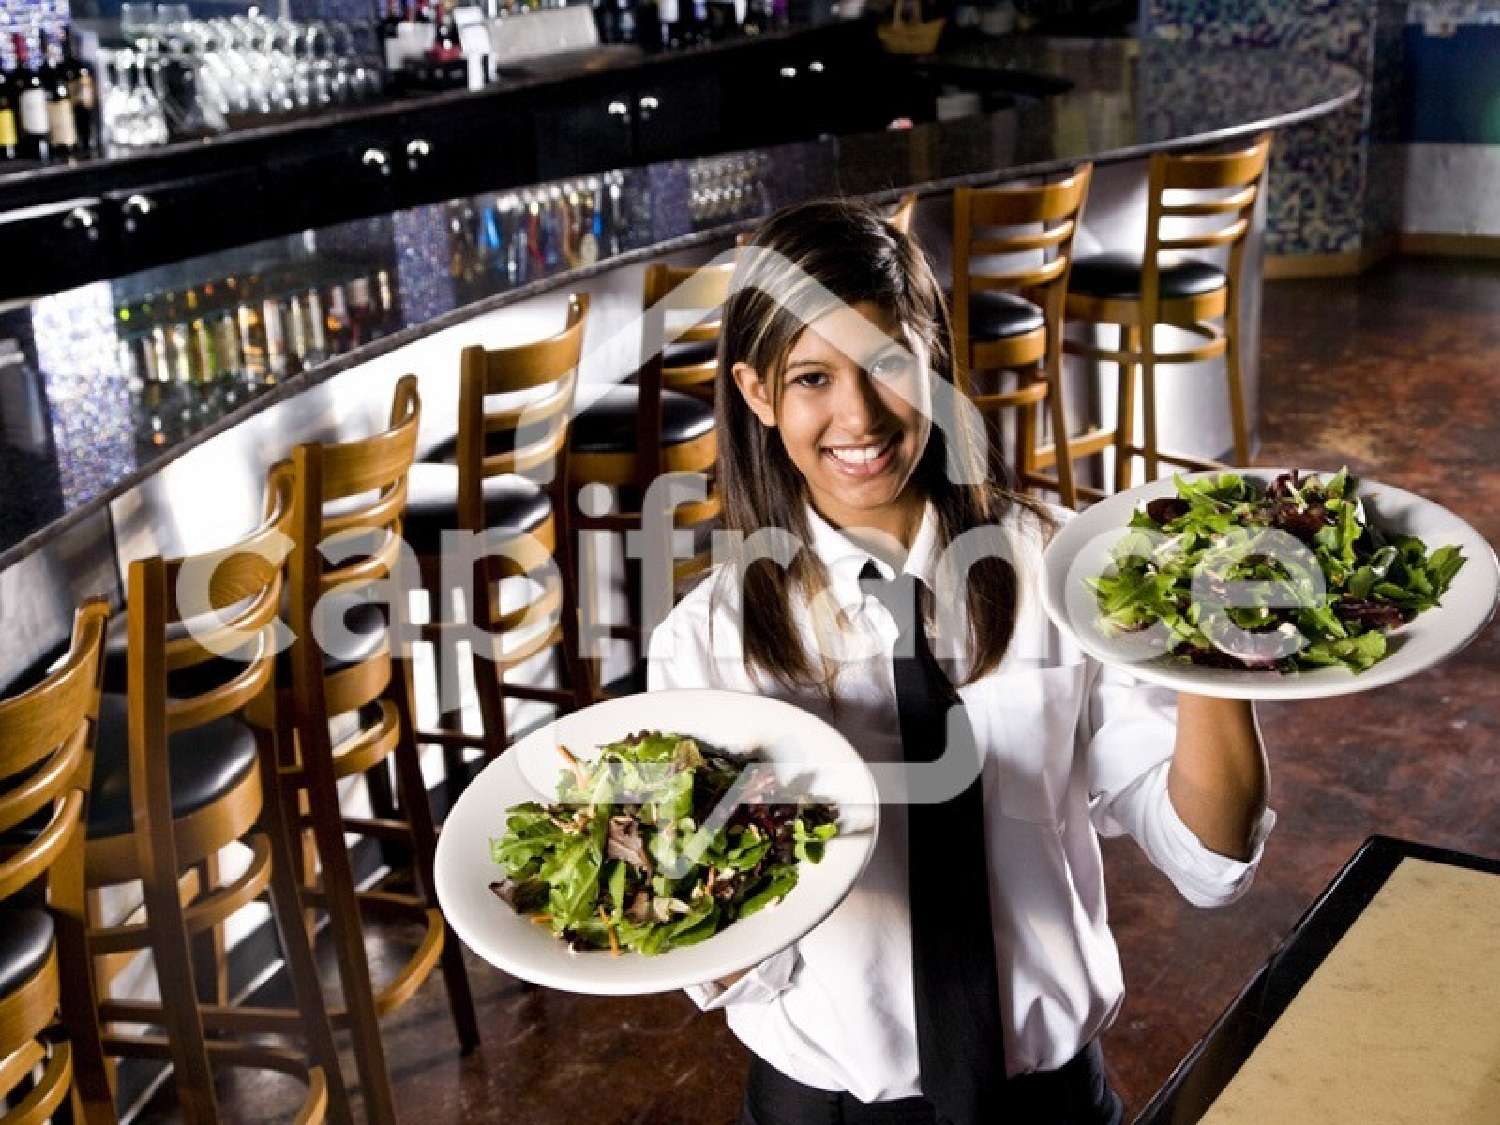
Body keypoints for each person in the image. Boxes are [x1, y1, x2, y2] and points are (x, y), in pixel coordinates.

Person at [644, 199, 1274, 1125]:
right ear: (756, 392)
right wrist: (711, 858)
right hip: (827, 1113)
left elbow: (1209, 861)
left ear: (932, 356)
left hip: (1051, 1105)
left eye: (887, 363)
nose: (856, 413)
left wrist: (1207, 655)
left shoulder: (1068, 569)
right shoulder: (704, 647)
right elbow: (739, 964)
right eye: (812, 376)